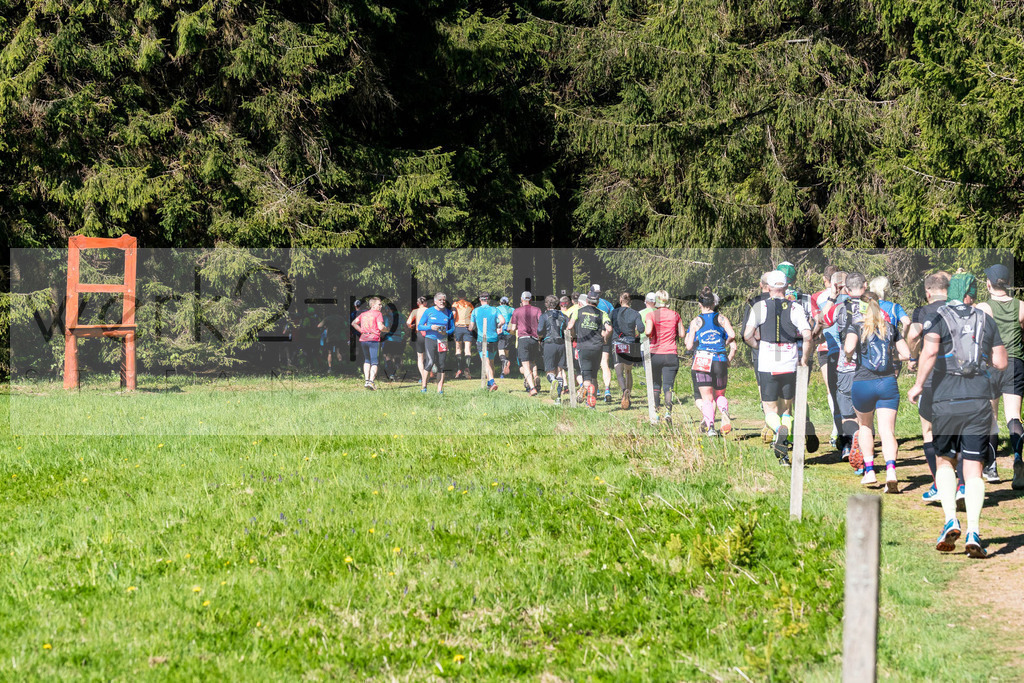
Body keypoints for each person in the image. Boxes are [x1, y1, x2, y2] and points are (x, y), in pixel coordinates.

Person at [909, 271, 1007, 558]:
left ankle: (951, 519)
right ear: (972, 294)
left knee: (944, 462)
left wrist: (917, 386)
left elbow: (929, 353)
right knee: (974, 469)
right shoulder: (985, 319)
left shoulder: (938, 317)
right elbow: (1000, 362)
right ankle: (974, 531)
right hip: (978, 399)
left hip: (945, 399)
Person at [743, 270, 812, 465]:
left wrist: (759, 346)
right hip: (789, 361)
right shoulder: (796, 307)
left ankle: (779, 436)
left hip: (767, 361)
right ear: (785, 286)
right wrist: (804, 358)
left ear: (769, 287)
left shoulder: (760, 306)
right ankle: (784, 448)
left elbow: (747, 335)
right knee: (786, 409)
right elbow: (807, 335)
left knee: (770, 409)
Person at [844, 292, 912, 491]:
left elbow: (849, 347)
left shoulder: (856, 325)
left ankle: (870, 471)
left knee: (865, 426)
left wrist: (849, 355)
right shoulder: (890, 328)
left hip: (863, 382)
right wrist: (892, 355)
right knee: (887, 431)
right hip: (887, 383)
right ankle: (891, 471)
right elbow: (906, 354)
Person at [976, 263, 1024, 489]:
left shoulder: (984, 307)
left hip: (992, 364)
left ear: (988, 284)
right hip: (1015, 363)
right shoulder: (1021, 306)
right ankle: (1018, 459)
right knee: (1013, 416)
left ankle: (991, 467)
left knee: (991, 417)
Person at [906, 273, 951, 502]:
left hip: (932, 378)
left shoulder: (924, 312)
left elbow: (913, 335)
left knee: (929, 432)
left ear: (928, 292)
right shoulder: (959, 309)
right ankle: (959, 481)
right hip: (958, 379)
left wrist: (913, 356)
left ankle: (937, 482)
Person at [822, 272, 872, 471]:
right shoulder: (873, 309)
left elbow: (823, 320)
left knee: (847, 415)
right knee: (866, 416)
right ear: (865, 286)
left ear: (846, 290)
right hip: (869, 364)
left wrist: (833, 297)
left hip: (846, 364)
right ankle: (865, 450)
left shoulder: (839, 308)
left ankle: (850, 445)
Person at [777, 261, 821, 452]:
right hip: (803, 350)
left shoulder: (775, 299)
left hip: (781, 352)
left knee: (784, 398)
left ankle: (788, 435)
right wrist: (813, 335)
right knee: (799, 394)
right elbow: (818, 321)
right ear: (795, 278)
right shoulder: (806, 297)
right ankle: (807, 422)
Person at [685, 286, 738, 436]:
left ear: (700, 304)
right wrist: (724, 344)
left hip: (702, 359)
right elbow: (732, 334)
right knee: (719, 395)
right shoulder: (721, 318)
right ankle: (724, 411)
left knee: (707, 399)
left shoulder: (695, 321)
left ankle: (711, 428)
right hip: (720, 357)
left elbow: (689, 345)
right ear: (714, 303)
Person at [641, 290, 685, 423]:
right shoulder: (675, 315)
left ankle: (656, 413)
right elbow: (682, 334)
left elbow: (648, 331)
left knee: (655, 384)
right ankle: (668, 413)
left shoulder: (651, 314)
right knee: (668, 386)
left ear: (656, 300)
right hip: (671, 354)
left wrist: (649, 333)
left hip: (655, 354)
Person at [568, 290, 613, 408]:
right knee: (594, 375)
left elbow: (570, 325)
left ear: (587, 300)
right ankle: (592, 402)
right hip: (597, 347)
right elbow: (609, 328)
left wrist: (573, 335)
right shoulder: (603, 313)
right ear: (597, 302)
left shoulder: (578, 311)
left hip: (583, 346)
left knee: (586, 376)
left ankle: (589, 401)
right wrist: (605, 339)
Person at [742, 273, 773, 442]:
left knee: (764, 386)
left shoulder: (754, 302)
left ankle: (769, 422)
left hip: (761, 349)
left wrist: (758, 346)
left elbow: (745, 333)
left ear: (762, 285)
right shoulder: (791, 299)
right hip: (786, 350)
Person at [813, 267, 841, 445]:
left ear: (825, 279)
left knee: (832, 389)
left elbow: (817, 321)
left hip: (825, 346)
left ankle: (836, 428)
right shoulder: (847, 294)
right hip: (843, 346)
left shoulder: (816, 297)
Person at [611, 291, 644, 409]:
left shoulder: (613, 313)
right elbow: (641, 329)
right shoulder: (635, 313)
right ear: (630, 301)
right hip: (630, 344)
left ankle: (623, 390)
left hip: (617, 343)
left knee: (619, 372)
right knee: (628, 371)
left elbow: (609, 327)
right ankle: (628, 395)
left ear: (620, 300)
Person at [418, 293, 455, 394]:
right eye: (440, 300)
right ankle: (424, 387)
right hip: (430, 339)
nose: (442, 302)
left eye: (443, 300)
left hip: (442, 340)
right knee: (429, 362)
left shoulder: (448, 312)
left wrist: (446, 332)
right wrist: (430, 327)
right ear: (435, 301)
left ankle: (440, 390)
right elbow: (420, 326)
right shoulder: (429, 311)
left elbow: (452, 328)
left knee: (441, 365)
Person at [509, 291, 542, 396]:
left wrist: (509, 331)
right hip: (534, 339)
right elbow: (541, 326)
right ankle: (536, 377)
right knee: (532, 362)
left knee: (525, 365)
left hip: (523, 339)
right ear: (530, 299)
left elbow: (513, 328)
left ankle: (532, 387)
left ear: (521, 299)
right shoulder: (537, 310)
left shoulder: (517, 311)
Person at [538, 295, 569, 402]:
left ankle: (553, 381)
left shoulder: (544, 316)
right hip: (561, 344)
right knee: (560, 371)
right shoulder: (564, 316)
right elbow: (568, 328)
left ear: (546, 304)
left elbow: (539, 330)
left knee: (550, 371)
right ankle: (558, 398)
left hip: (549, 343)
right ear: (557, 305)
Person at [470, 292, 503, 391]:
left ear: (480, 300)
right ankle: (490, 384)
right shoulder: (494, 309)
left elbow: (471, 327)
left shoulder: (475, 311)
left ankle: (492, 381)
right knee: (491, 361)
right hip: (494, 339)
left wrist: (470, 328)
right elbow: (503, 320)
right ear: (488, 300)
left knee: (485, 361)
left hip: (482, 339)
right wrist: (498, 325)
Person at [352, 297, 385, 389]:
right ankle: (371, 381)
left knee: (367, 360)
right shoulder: (378, 314)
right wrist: (387, 329)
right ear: (373, 305)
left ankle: (366, 381)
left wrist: (361, 331)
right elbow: (381, 327)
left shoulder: (363, 314)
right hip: (373, 339)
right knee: (374, 361)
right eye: (379, 304)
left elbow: (354, 323)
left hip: (363, 339)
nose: (381, 306)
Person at [591, 284, 616, 403]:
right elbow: (612, 320)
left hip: (593, 337)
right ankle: (607, 389)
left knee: (592, 364)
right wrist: (607, 335)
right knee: (604, 363)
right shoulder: (607, 304)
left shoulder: (588, 304)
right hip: (605, 336)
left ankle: (597, 389)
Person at [451, 294, 475, 380]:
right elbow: (472, 316)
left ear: (458, 296)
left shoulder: (455, 304)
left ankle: (459, 370)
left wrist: (451, 324)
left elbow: (453, 314)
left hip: (458, 327)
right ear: (465, 296)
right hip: (467, 327)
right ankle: (467, 369)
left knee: (458, 349)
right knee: (467, 349)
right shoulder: (470, 304)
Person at [407, 297, 429, 379]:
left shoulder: (415, 311)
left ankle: (423, 376)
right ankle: (428, 374)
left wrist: (411, 326)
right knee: (428, 356)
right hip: (429, 334)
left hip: (419, 334)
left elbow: (408, 322)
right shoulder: (429, 310)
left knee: (420, 356)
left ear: (418, 303)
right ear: (425, 303)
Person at [496, 296, 515, 377]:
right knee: (506, 352)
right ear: (508, 303)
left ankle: (504, 363)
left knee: (501, 350)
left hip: (501, 332)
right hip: (509, 332)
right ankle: (503, 373)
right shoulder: (512, 309)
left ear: (500, 303)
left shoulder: (497, 309)